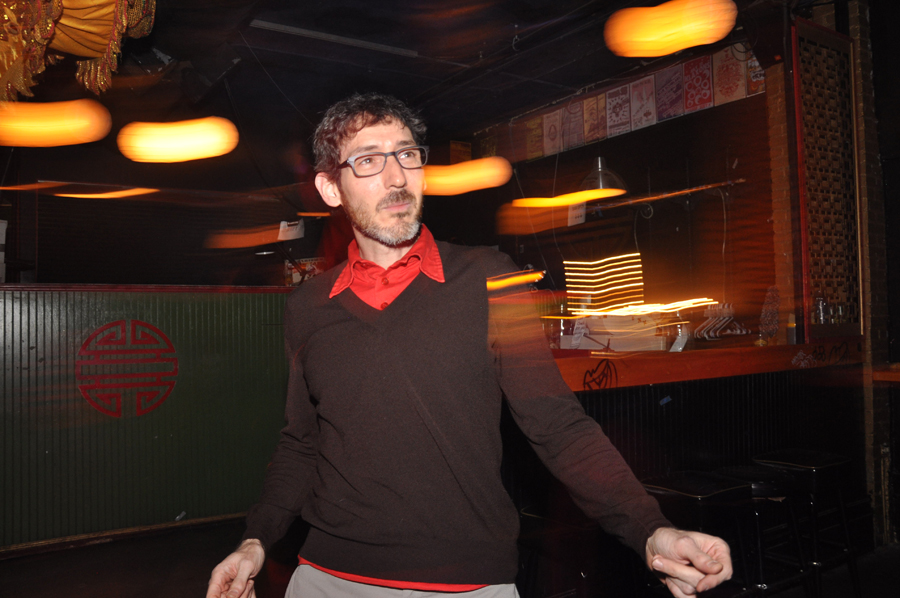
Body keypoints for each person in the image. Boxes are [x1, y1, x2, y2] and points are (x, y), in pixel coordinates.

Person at [207, 93, 732, 598]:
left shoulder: (488, 278)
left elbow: (558, 427)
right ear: (330, 189)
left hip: (466, 581)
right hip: (329, 575)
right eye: (368, 160)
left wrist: (650, 530)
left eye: (407, 155)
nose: (396, 177)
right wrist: (255, 541)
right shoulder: (307, 307)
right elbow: (301, 443)